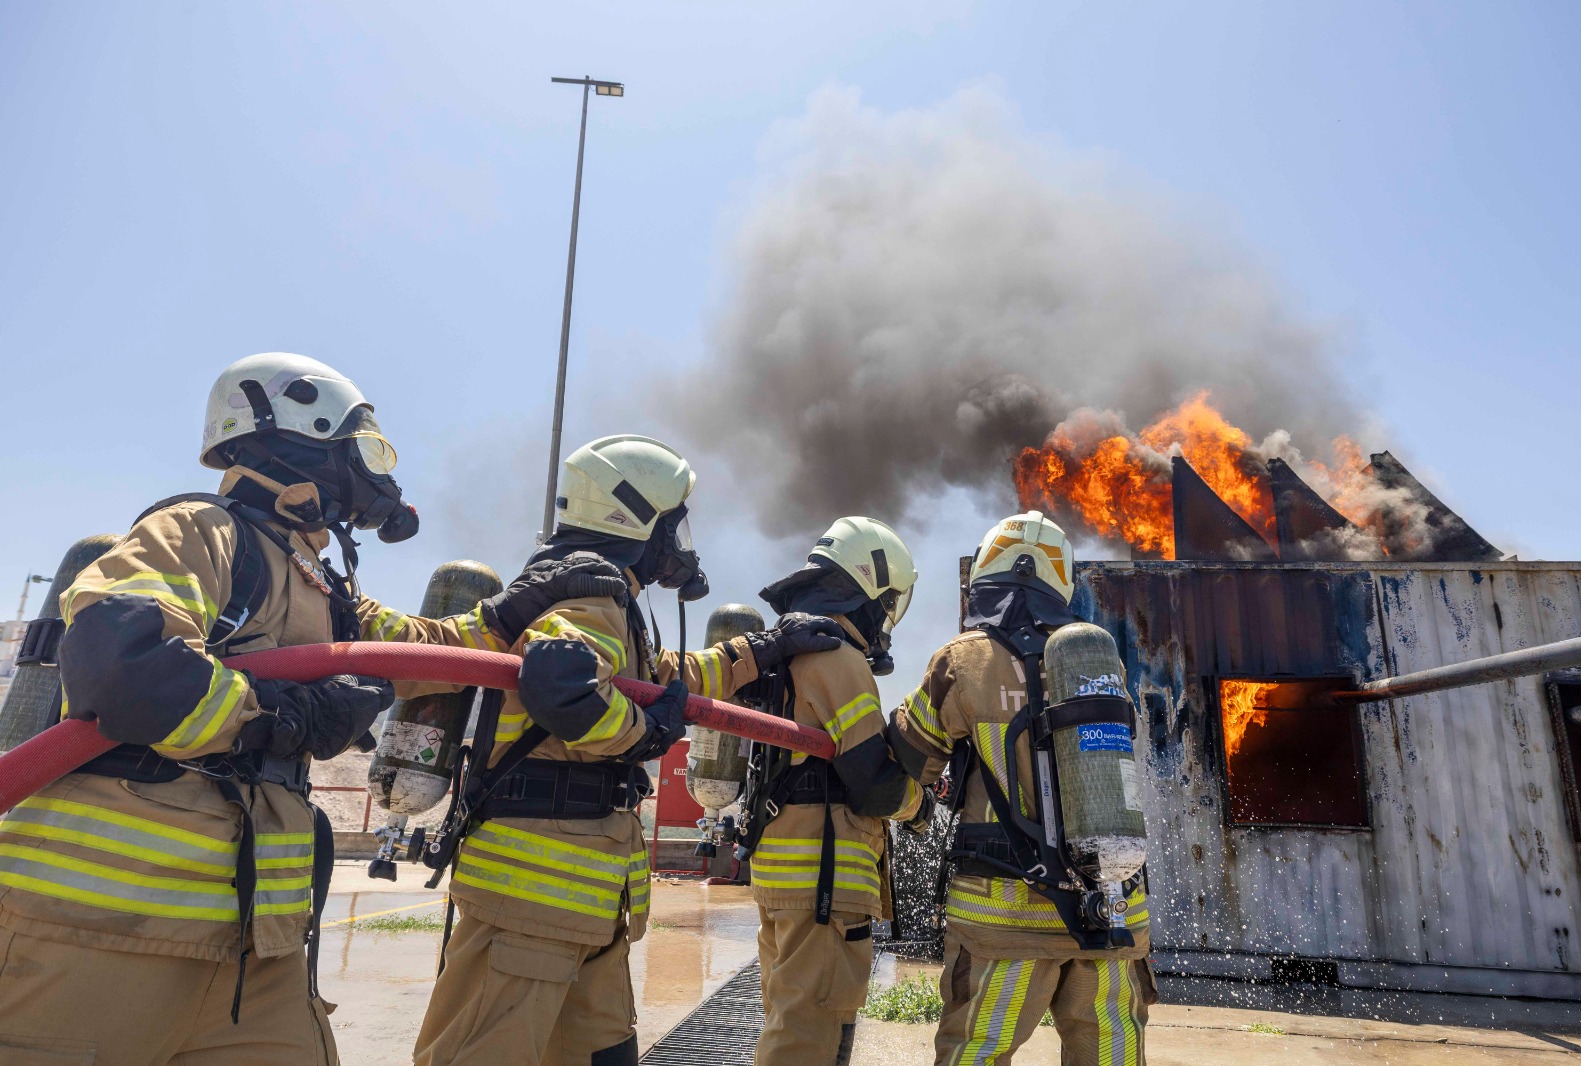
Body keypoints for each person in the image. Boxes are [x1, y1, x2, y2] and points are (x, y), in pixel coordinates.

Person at [0, 353, 618, 1065]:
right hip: (98, 935)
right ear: (304, 425)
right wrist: (282, 720)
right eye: (366, 446)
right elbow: (125, 666)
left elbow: (425, 650)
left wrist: (527, 602)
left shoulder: (323, 587)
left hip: (257, 952)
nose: (375, 470)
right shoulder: (200, 530)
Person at [413, 434, 846, 1066]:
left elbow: (664, 678)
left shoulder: (611, 600)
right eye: (672, 523)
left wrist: (762, 650)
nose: (678, 540)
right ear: (635, 516)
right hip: (531, 904)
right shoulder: (591, 594)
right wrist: (645, 733)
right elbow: (563, 688)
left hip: (583, 905)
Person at [887, 511, 1156, 1066]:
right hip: (1109, 915)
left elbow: (907, 758)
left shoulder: (962, 660)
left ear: (986, 573)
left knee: (977, 1052)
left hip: (1004, 926)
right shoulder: (1096, 659)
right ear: (1061, 580)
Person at [741, 516, 934, 1066]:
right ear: (869, 593)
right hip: (823, 883)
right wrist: (920, 805)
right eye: (888, 602)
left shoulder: (789, 651)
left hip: (782, 874)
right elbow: (872, 785)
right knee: (812, 1034)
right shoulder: (838, 658)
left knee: (788, 1019)